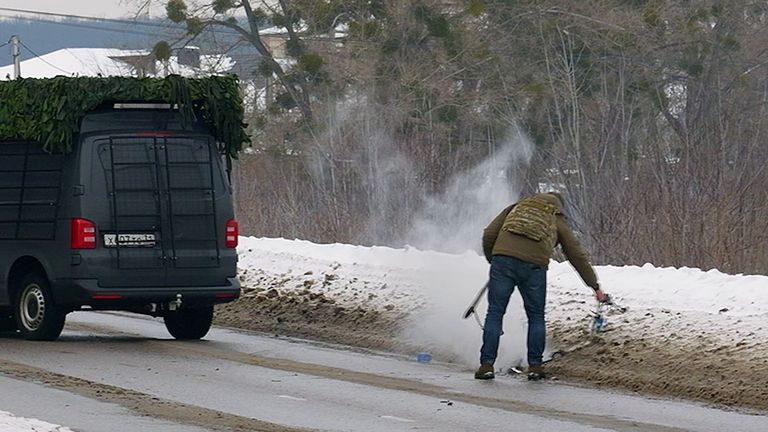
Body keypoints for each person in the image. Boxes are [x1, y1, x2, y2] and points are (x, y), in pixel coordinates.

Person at [475, 192, 608, 381]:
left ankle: (486, 365)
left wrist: (496, 259)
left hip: (502, 262)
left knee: (495, 313)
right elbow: (576, 254)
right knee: (536, 316)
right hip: (534, 268)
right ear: (559, 206)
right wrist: (595, 286)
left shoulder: (517, 207)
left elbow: (489, 233)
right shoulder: (556, 218)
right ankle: (535, 367)